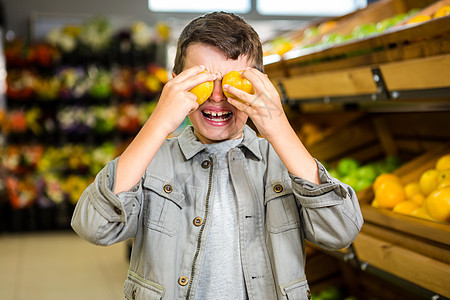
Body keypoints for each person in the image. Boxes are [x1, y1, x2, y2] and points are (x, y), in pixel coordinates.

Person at [71, 11, 363, 300]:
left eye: (233, 81)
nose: (217, 96)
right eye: (203, 80)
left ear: (260, 85)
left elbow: (340, 232)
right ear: (175, 84)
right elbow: (95, 228)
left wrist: (279, 128)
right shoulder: (152, 162)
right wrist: (158, 123)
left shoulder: (282, 162)